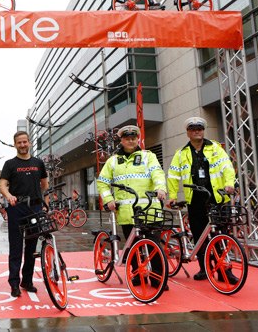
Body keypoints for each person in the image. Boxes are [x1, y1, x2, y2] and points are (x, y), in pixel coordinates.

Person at [166, 116, 237, 283]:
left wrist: (229, 184)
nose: (197, 131)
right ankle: (204, 268)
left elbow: (227, 167)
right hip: (195, 199)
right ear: (188, 133)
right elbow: (173, 176)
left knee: (221, 234)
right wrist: (173, 196)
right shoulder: (181, 153)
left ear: (203, 131)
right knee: (199, 235)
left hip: (217, 197)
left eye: (200, 128)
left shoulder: (216, 148)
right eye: (193, 129)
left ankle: (225, 271)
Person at [96, 125, 168, 288]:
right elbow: (102, 182)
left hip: (150, 210)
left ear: (138, 139)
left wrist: (160, 188)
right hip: (127, 212)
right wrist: (108, 199)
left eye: (133, 138)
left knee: (155, 247)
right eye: (127, 138)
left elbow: (157, 173)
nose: (130, 140)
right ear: (121, 140)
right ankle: (136, 274)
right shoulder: (113, 161)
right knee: (132, 248)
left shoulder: (148, 156)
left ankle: (159, 280)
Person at [0, 131, 48, 298]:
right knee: (16, 247)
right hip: (16, 208)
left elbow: (44, 184)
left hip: (34, 209)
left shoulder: (38, 163)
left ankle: (27, 281)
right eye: (19, 142)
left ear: (29, 143)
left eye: (25, 142)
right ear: (15, 144)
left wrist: (38, 199)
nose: (22, 145)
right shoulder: (10, 164)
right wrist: (9, 196)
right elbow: (3, 184)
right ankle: (14, 283)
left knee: (32, 247)